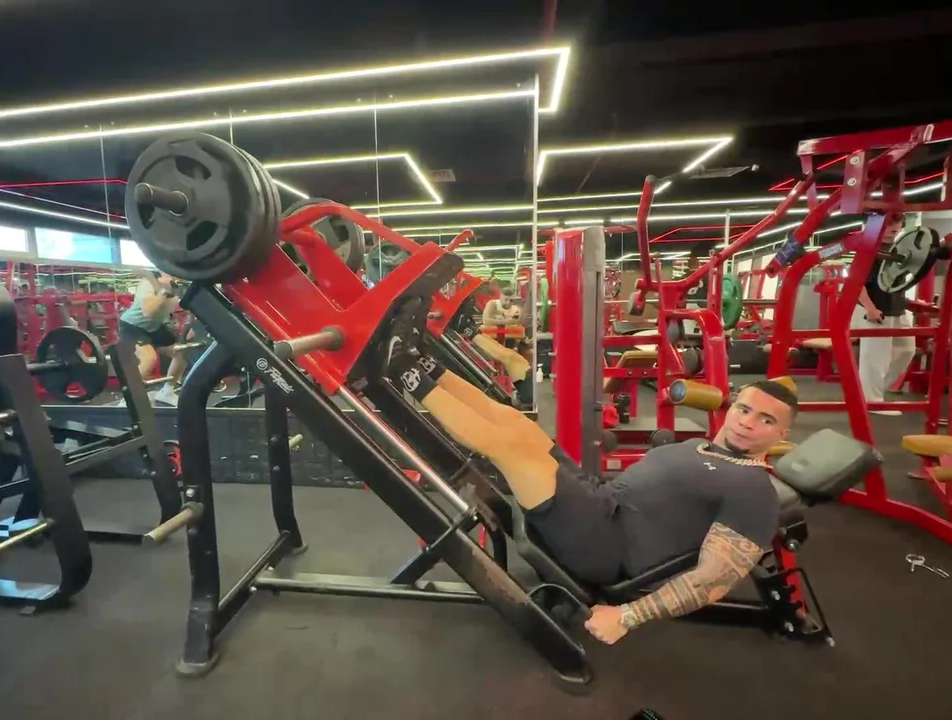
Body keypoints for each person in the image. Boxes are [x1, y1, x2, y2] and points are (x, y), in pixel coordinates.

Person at [382, 298, 792, 645]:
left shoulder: (754, 489)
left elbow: (714, 580)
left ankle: (402, 371)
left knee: (509, 449)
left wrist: (626, 616)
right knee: (517, 424)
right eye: (744, 409)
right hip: (599, 500)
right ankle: (422, 362)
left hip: (605, 544)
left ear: (781, 434)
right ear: (731, 408)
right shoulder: (698, 446)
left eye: (766, 420)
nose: (747, 423)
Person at [855, 217, 915, 415]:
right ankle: (871, 401)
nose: (893, 228)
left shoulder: (899, 249)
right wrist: (870, 308)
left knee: (907, 350)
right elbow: (856, 283)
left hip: (897, 308)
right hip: (876, 310)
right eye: (889, 224)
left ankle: (877, 390)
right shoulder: (868, 249)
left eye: (896, 224)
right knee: (875, 359)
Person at [118, 271, 184, 405]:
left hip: (154, 327)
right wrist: (164, 291)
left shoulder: (177, 286)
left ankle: (167, 392)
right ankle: (128, 399)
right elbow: (147, 312)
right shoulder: (148, 284)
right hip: (133, 326)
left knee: (182, 351)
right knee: (149, 359)